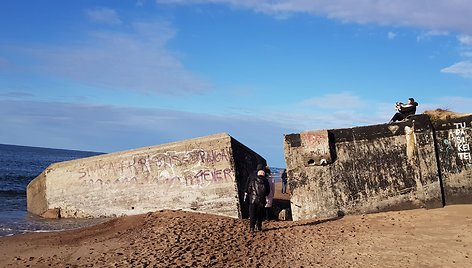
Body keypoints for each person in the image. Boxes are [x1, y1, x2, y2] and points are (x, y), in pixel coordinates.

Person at [244, 163, 270, 234]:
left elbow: (248, 189)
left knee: (252, 214)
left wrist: (251, 194)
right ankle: (259, 226)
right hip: (262, 200)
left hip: (253, 199)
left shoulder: (252, 178)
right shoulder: (266, 181)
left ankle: (252, 228)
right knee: (260, 214)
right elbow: (268, 191)